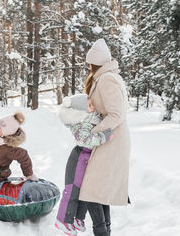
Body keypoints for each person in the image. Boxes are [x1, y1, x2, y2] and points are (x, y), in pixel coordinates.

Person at [79, 38, 131, 236]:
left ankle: (101, 233)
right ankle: (104, 232)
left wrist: (92, 133)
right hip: (108, 138)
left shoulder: (107, 78)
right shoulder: (105, 77)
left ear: (94, 62)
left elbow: (116, 114)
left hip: (112, 139)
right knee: (98, 190)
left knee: (90, 189)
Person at [55, 94, 113, 236]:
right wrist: (102, 137)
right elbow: (85, 140)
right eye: (89, 106)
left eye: (93, 104)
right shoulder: (80, 122)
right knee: (72, 190)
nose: (93, 107)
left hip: (88, 158)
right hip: (79, 158)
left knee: (83, 190)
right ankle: (63, 220)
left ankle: (78, 217)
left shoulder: (92, 117)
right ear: (80, 110)